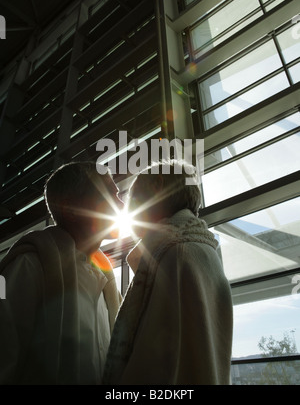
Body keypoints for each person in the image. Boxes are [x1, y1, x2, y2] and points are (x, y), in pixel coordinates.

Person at [103, 160, 233, 385]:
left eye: (132, 199)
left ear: (156, 186)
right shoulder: (199, 252)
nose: (128, 211)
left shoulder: (175, 255)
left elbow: (154, 365)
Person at [0, 161, 122, 385]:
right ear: (71, 209)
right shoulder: (28, 266)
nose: (121, 203)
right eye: (109, 194)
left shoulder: (107, 281)